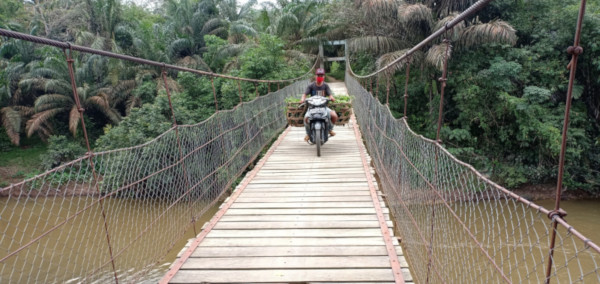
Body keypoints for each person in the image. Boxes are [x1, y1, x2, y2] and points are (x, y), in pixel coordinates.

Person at [300, 68, 338, 142]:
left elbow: (330, 94)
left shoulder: (325, 86)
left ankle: (330, 129)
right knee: (306, 118)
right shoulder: (311, 85)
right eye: (318, 75)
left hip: (323, 107)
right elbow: (304, 94)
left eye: (321, 75)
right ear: (315, 76)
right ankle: (308, 134)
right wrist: (302, 99)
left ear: (324, 76)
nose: (320, 77)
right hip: (312, 107)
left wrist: (331, 97)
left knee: (334, 115)